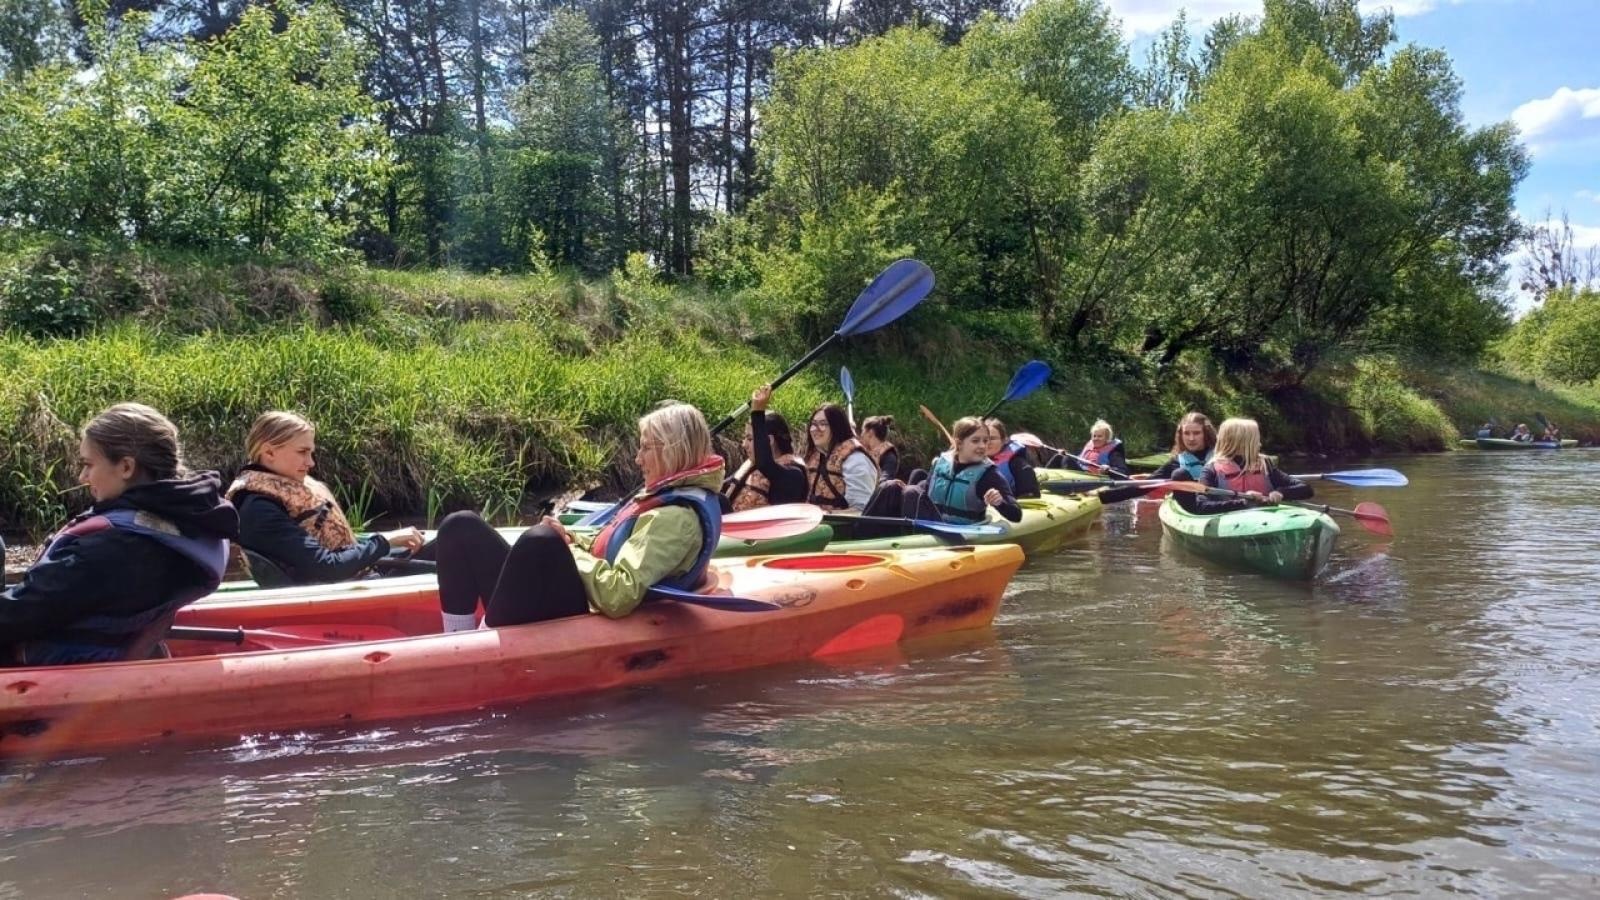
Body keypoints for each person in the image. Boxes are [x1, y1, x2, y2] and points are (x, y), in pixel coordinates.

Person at [433, 402, 724, 632]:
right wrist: (571, 536)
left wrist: (566, 548)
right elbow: (609, 541)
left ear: (674, 451)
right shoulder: (665, 498)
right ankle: (457, 640)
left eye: (646, 447)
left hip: (592, 610)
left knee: (542, 542)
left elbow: (618, 595)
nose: (638, 459)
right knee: (461, 527)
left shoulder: (676, 520)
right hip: (581, 596)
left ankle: (480, 653)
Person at [1, 403, 239, 666]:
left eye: (88, 464)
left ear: (126, 467)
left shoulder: (113, 550)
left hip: (54, 672)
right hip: (113, 653)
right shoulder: (190, 523)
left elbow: (18, 616)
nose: (83, 477)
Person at [229, 411, 425, 587]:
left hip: (355, 578)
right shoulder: (259, 510)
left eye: (311, 453)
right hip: (338, 593)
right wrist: (384, 541)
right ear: (269, 452)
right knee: (453, 535)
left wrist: (386, 541)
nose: (311, 462)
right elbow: (328, 567)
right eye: (302, 452)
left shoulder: (276, 492)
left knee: (439, 541)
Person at [1187, 418, 1313, 515]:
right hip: (1230, 523)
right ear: (1239, 442)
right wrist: (1242, 503)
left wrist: (1281, 493)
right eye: (1255, 439)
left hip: (1265, 522)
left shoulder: (1265, 466)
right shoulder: (1211, 470)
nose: (1260, 443)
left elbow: (1306, 489)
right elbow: (1200, 505)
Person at [721, 385, 806, 511]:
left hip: (768, 530)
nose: (744, 445)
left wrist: (757, 412)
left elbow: (765, 463)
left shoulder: (793, 475)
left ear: (769, 441)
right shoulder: (750, 466)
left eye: (750, 439)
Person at [803, 403, 877, 511]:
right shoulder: (817, 456)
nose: (815, 429)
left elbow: (860, 509)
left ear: (836, 426)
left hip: (845, 525)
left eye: (823, 424)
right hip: (816, 520)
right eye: (813, 424)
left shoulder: (856, 460)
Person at [1142, 412, 1217, 482]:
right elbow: (1148, 484)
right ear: (1181, 435)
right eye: (1186, 433)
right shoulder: (1176, 462)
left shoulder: (1220, 456)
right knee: (1179, 474)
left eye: (1196, 433)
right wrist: (1130, 481)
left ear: (1206, 434)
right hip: (1187, 495)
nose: (1191, 438)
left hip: (1216, 495)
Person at [983, 417, 1040, 498]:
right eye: (984, 439)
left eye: (992, 438)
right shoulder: (968, 461)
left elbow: (1030, 498)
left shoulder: (1018, 464)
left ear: (1003, 441)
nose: (987, 442)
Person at [1056, 419, 1126, 476]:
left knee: (1067, 458)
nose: (1096, 438)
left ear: (1107, 438)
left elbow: (1122, 470)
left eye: (1099, 436)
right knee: (1060, 455)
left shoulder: (1114, 453)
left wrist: (1109, 469)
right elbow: (1077, 457)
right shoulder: (1089, 446)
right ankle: (1045, 474)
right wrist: (1065, 453)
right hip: (1081, 472)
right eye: (1094, 436)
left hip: (1093, 477)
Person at [859, 415, 900, 480]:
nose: (861, 435)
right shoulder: (864, 452)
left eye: (863, 431)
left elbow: (885, 480)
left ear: (870, 433)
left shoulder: (889, 456)